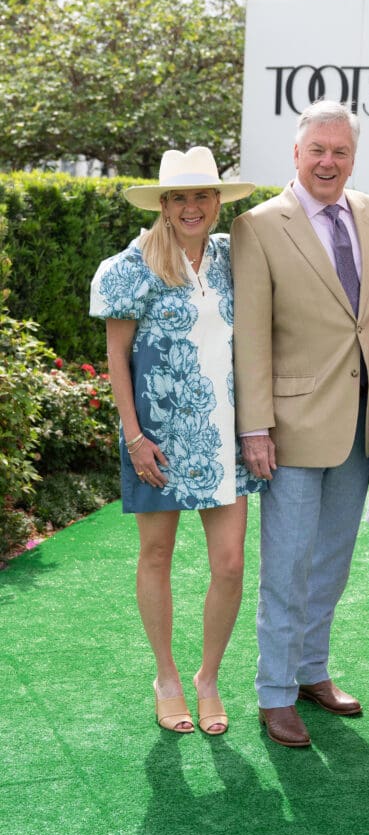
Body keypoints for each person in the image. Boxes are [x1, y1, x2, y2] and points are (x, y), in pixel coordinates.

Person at [231, 99, 369, 748]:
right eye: (317, 150)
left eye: (340, 151)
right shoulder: (257, 228)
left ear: (352, 158)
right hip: (291, 428)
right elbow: (251, 335)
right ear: (295, 154)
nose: (328, 161)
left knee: (330, 560)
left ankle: (310, 672)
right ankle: (274, 693)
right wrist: (255, 428)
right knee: (287, 564)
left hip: (362, 425)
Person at [90, 146, 264, 736]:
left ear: (218, 202)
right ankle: (166, 675)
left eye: (203, 195)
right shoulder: (130, 267)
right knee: (157, 554)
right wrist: (134, 437)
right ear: (164, 205)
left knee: (232, 563)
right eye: (181, 197)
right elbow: (116, 358)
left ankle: (207, 676)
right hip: (157, 439)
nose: (193, 207)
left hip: (223, 438)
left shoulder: (232, 259)